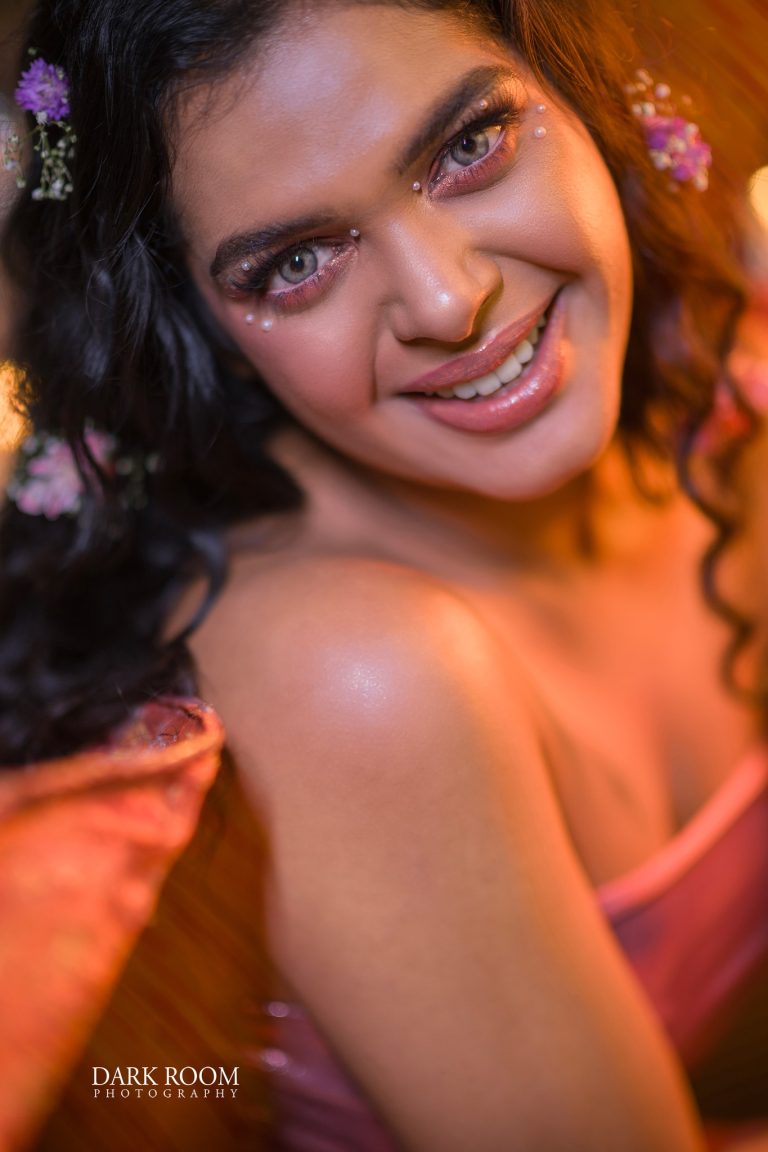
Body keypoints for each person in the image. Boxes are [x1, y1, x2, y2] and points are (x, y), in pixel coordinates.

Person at [0, 0, 767, 1149]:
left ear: (578, 90)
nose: (449, 301)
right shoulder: (355, 674)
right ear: (203, 332)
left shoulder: (726, 404)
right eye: (296, 262)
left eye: (470, 144)